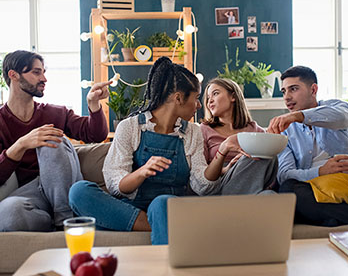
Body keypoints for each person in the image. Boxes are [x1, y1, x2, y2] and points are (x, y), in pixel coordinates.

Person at [68, 57, 245, 245]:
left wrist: (222, 152)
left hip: (168, 205)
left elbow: (202, 185)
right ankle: (156, 225)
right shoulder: (131, 127)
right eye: (195, 98)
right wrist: (142, 172)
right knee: (78, 192)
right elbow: (116, 185)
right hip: (131, 206)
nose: (199, 105)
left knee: (162, 203)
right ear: (178, 98)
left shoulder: (192, 131)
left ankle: (143, 225)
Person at [0, 50, 111, 231]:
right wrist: (21, 144)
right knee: (8, 214)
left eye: (44, 72)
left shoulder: (56, 113)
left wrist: (93, 103)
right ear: (13, 75)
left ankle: (64, 222)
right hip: (31, 193)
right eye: (36, 72)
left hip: (64, 185)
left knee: (50, 139)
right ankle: (54, 224)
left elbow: (95, 135)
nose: (44, 78)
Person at [267, 65, 348, 226]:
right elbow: (285, 174)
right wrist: (320, 171)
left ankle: (326, 218)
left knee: (293, 210)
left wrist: (298, 116)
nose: (287, 97)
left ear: (313, 89)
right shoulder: (285, 131)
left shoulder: (336, 106)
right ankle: (334, 217)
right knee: (287, 189)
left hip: (345, 180)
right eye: (284, 91)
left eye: (293, 89)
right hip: (313, 187)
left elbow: (343, 118)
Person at [201, 78, 278, 195]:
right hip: (221, 185)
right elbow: (201, 176)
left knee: (270, 195)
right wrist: (225, 169)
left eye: (215, 94)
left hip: (254, 186)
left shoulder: (255, 129)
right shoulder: (204, 130)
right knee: (255, 151)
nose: (209, 101)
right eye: (207, 97)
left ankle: (243, 203)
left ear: (233, 97)